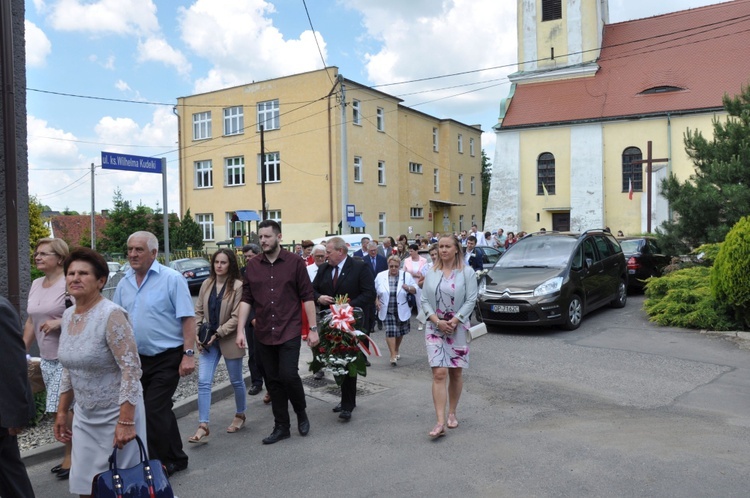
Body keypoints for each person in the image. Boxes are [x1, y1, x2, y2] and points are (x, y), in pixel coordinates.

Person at [55, 248, 147, 495]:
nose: (75, 278)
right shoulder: (67, 315)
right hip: (85, 416)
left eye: (83, 273)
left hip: (117, 413)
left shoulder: (111, 314)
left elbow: (131, 369)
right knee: (85, 484)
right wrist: (62, 411)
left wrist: (126, 421)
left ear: (101, 281)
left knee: (120, 486)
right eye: (71, 273)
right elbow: (69, 368)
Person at [113, 231, 195, 476]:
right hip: (136, 361)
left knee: (153, 408)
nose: (132, 254)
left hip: (167, 356)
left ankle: (158, 464)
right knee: (151, 409)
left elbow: (188, 318)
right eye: (130, 250)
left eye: (138, 249)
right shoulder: (124, 282)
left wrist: (188, 354)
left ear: (153, 253)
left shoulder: (171, 279)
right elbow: (116, 319)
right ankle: (177, 457)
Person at [236, 220, 319, 445]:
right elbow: (246, 299)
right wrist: (240, 330)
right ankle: (281, 426)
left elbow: (307, 296)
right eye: (260, 237)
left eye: (267, 237)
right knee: (272, 381)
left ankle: (301, 413)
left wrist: (313, 329)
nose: (262, 241)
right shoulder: (252, 266)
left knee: (289, 375)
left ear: (279, 237)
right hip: (263, 332)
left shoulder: (294, 263)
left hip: (288, 329)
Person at [22, 237, 74, 479]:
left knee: (63, 407)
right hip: (47, 358)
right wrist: (22, 351)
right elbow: (32, 320)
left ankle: (72, 457)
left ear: (60, 258)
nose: (37, 256)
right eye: (36, 253)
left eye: (44, 253)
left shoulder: (70, 283)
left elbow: (87, 314)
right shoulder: (36, 283)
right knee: (58, 409)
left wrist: (61, 321)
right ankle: (73, 452)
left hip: (69, 358)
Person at [312, 236, 376, 421]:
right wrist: (319, 298)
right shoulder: (324, 269)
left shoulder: (359, 267)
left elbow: (369, 294)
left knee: (348, 361)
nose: (326, 256)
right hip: (330, 324)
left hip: (351, 324)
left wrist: (345, 307)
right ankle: (345, 398)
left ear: (340, 251)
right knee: (336, 361)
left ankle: (348, 404)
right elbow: (312, 289)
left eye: (329, 252)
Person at [420, 234, 478, 438]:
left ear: (456, 249)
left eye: (447, 246)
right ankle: (440, 421)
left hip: (458, 328)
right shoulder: (431, 272)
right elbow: (424, 299)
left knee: (455, 373)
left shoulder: (467, 272)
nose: (443, 250)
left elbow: (471, 299)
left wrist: (455, 320)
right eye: (441, 246)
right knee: (439, 373)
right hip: (435, 327)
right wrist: (437, 321)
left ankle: (452, 412)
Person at [189, 249, 246, 443]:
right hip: (208, 341)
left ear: (231, 264)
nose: (219, 266)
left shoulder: (238, 286)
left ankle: (240, 414)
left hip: (228, 338)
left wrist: (218, 333)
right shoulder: (207, 283)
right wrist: (197, 333)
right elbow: (198, 311)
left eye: (223, 262)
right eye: (216, 262)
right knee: (204, 382)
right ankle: (203, 425)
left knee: (236, 380)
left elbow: (237, 317)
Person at [0, 296, 37, 498]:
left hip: (2, 415)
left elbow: (13, 366)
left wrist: (14, 416)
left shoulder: (0, 310)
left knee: (12, 480)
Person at [375, 255, 417, 366]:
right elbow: (374, 291)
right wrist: (376, 301)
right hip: (387, 308)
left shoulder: (406, 276)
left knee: (399, 331)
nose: (393, 268)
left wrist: (408, 288)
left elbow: (415, 289)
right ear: (388, 265)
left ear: (399, 266)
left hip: (402, 308)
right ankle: (392, 355)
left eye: (396, 266)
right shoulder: (380, 276)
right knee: (390, 331)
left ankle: (396, 349)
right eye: (391, 266)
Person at [242, 244, 268, 400]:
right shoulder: (243, 272)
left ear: (258, 255)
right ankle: (256, 382)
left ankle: (272, 384)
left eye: (250, 256)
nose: (247, 259)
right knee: (253, 353)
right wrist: (251, 317)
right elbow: (243, 297)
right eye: (245, 257)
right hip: (251, 319)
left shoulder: (267, 269)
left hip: (268, 317)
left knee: (269, 353)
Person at [403, 243, 428, 330]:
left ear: (417, 251)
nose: (410, 253)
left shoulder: (424, 260)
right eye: (409, 251)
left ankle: (421, 323)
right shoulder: (407, 260)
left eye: (412, 251)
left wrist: (415, 275)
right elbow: (404, 272)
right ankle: (406, 322)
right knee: (408, 303)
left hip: (419, 284)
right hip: (410, 284)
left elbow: (425, 273)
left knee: (420, 304)